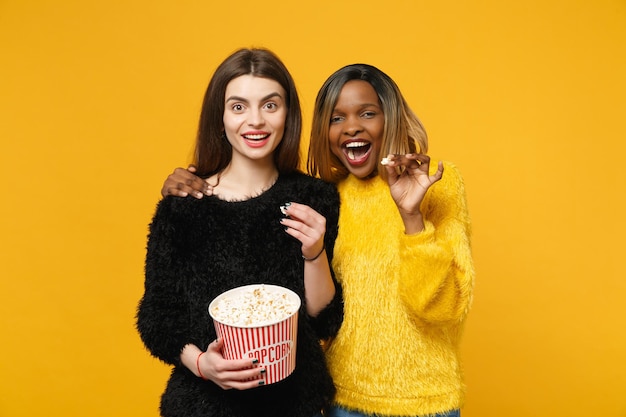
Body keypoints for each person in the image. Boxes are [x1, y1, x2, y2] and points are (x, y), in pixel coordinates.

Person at [161, 63, 474, 417]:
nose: (352, 126)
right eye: (336, 118)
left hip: (425, 401)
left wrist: (412, 218)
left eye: (368, 113)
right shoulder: (332, 196)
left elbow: (441, 309)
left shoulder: (434, 186)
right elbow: (163, 313)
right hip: (343, 401)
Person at [136, 48, 343, 417]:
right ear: (220, 118)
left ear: (288, 114)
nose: (255, 121)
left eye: (269, 105)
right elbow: (157, 316)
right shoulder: (183, 205)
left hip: (296, 404)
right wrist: (202, 364)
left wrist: (315, 253)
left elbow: (324, 320)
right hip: (202, 406)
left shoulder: (316, 199)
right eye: (238, 106)